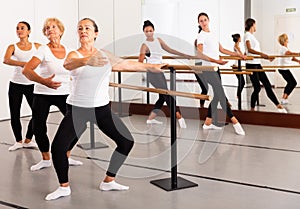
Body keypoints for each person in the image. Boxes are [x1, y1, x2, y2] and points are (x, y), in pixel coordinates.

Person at [44, 17, 166, 201]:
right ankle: (64, 187)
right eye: (80, 28)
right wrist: (87, 60)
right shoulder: (74, 55)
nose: (83, 31)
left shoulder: (105, 55)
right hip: (78, 109)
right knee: (58, 148)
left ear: (95, 33)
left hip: (102, 109)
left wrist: (151, 66)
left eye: (87, 28)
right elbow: (68, 65)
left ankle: (109, 180)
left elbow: (127, 64)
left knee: (126, 142)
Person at [22, 18, 83, 171]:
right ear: (45, 33)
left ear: (61, 30)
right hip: (42, 93)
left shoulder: (70, 51)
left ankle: (66, 154)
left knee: (78, 124)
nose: (50, 30)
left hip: (65, 93)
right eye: (47, 28)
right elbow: (27, 70)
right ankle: (46, 159)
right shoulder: (42, 50)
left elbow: (79, 71)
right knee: (38, 126)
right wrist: (44, 81)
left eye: (54, 27)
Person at [195, 12, 245, 135]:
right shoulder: (201, 36)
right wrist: (215, 60)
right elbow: (200, 54)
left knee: (217, 95)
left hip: (216, 68)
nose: (203, 22)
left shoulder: (212, 34)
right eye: (201, 21)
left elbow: (222, 50)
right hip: (208, 69)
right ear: (199, 23)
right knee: (221, 94)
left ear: (209, 20)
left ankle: (208, 122)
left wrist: (237, 54)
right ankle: (235, 121)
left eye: (205, 20)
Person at [138, 20, 192, 128]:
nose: (149, 33)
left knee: (163, 96)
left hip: (160, 72)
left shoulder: (158, 41)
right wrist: (150, 66)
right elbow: (140, 62)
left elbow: (170, 50)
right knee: (167, 94)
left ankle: (150, 119)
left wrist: (184, 55)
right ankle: (179, 116)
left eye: (150, 30)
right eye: (146, 31)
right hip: (152, 74)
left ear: (153, 31)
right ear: (144, 32)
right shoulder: (144, 45)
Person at [3, 21, 41, 151]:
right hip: (16, 85)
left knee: (37, 113)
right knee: (15, 113)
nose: (19, 30)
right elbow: (6, 60)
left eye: (22, 28)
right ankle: (18, 141)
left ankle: (28, 140)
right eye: (17, 28)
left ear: (29, 31)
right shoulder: (12, 46)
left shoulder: (36, 46)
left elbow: (48, 53)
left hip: (32, 85)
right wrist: (24, 63)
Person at [244, 18, 287, 113]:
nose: (256, 27)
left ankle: (278, 105)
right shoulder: (247, 35)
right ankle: (252, 109)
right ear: (252, 25)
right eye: (255, 25)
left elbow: (248, 51)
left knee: (267, 85)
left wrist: (266, 57)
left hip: (257, 64)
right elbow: (249, 49)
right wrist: (263, 55)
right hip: (251, 65)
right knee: (257, 88)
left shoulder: (251, 36)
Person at [277, 33, 298, 104]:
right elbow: (289, 54)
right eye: (287, 39)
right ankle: (283, 98)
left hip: (285, 69)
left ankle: (284, 98)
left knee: (291, 82)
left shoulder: (285, 48)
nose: (288, 40)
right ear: (285, 40)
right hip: (283, 69)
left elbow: (291, 57)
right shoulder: (283, 49)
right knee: (292, 82)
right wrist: (298, 54)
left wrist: (298, 61)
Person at [231, 33, 246, 99]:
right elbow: (241, 55)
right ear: (238, 38)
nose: (241, 39)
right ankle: (238, 95)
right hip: (236, 66)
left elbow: (242, 55)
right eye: (240, 37)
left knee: (242, 82)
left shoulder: (237, 46)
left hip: (237, 66)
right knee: (242, 82)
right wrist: (244, 55)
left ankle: (238, 95)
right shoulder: (236, 46)